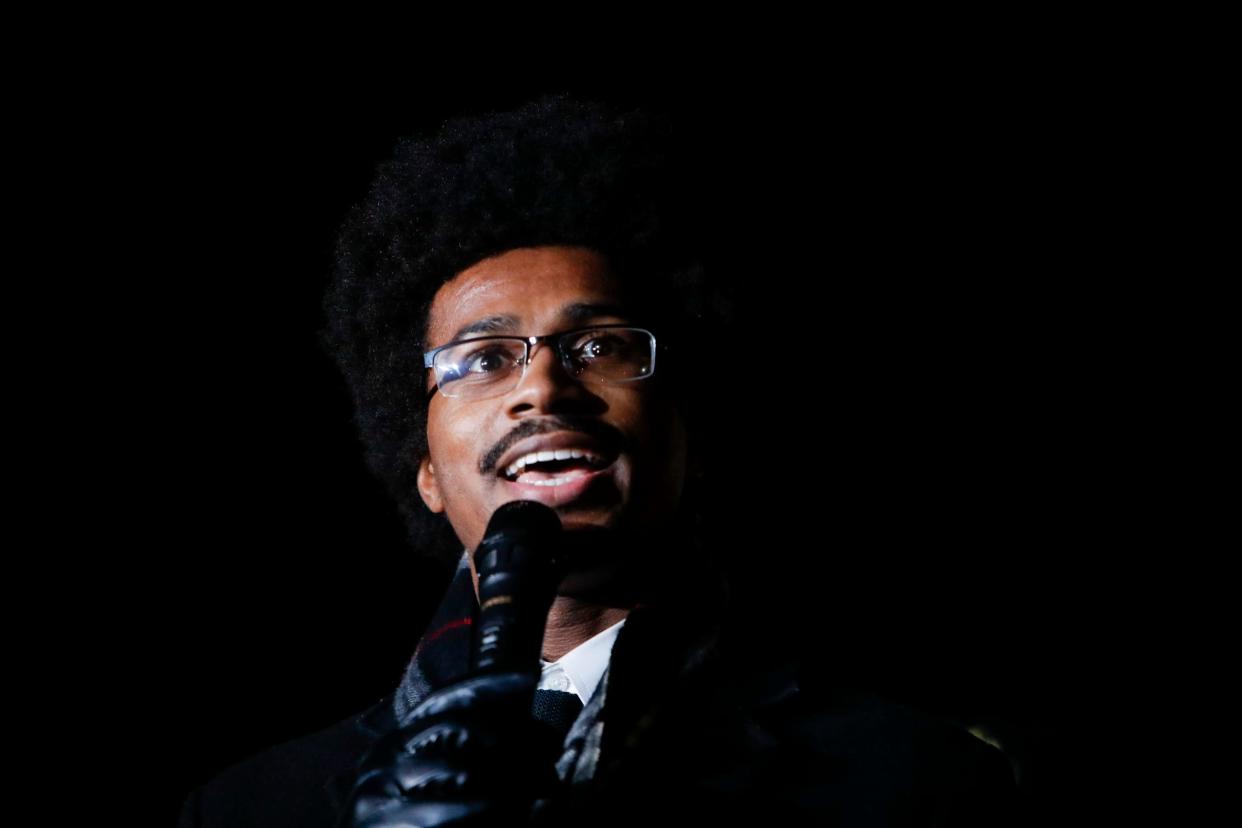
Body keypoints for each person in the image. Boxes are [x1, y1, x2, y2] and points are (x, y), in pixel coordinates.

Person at [177, 93, 1025, 827]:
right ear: (425, 469)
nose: (543, 386)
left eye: (600, 346)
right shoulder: (252, 812)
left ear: (689, 436)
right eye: (483, 358)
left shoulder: (913, 783)